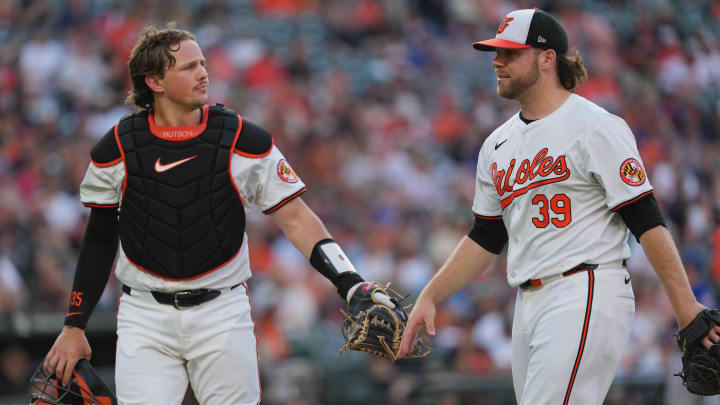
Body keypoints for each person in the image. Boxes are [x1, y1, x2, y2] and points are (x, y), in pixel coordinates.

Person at [398, 8, 720, 404]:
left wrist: (685, 307)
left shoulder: (595, 126)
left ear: (548, 58)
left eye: (511, 52)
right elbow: (486, 235)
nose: (497, 61)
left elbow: (645, 218)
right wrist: (431, 294)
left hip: (584, 289)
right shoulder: (497, 144)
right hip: (528, 302)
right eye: (496, 53)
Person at [42, 24, 375, 405]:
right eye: (187, 67)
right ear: (154, 81)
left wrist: (350, 281)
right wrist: (74, 325)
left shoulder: (243, 139)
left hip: (223, 312)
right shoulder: (116, 146)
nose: (203, 73)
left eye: (202, 63)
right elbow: (100, 238)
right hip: (144, 317)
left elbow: (297, 218)